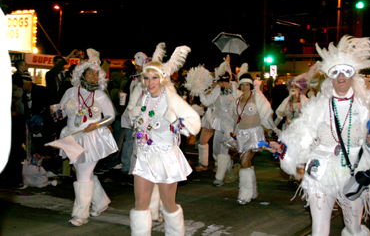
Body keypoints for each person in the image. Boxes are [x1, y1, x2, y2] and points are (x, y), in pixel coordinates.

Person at [266, 36, 370, 236]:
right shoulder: (319, 105)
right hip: (320, 169)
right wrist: (285, 150)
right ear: (329, 77)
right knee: (319, 230)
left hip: (353, 170)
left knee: (353, 227)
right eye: (335, 73)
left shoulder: (368, 105)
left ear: (353, 75)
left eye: (346, 72)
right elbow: (303, 134)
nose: (341, 77)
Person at [127, 45, 200, 236]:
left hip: (166, 156)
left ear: (162, 78)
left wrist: (175, 121)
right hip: (144, 154)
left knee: (168, 204)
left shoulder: (171, 98)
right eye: (147, 78)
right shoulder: (143, 98)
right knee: (140, 204)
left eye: (154, 78)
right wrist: (134, 117)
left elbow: (194, 124)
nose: (150, 82)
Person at [57, 48, 118, 226]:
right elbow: (60, 112)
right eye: (90, 73)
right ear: (81, 74)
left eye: (96, 74)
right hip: (71, 136)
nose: (93, 77)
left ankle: (80, 215)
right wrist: (56, 112)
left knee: (83, 174)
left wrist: (96, 124)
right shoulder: (70, 91)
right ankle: (100, 202)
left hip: (92, 137)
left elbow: (111, 116)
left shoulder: (99, 94)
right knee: (83, 172)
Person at [225, 65, 275, 204]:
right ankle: (252, 191)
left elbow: (267, 114)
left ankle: (245, 194)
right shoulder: (237, 100)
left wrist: (271, 128)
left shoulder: (258, 98)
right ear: (240, 86)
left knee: (244, 161)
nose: (245, 87)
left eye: (248, 84)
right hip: (241, 134)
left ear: (251, 85)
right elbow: (234, 118)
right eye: (243, 85)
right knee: (246, 162)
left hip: (254, 134)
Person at [195, 57, 240, 188]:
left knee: (224, 150)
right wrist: (201, 92)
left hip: (230, 124)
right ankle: (228, 167)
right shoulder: (217, 90)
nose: (220, 85)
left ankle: (219, 178)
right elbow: (208, 102)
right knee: (216, 151)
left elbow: (240, 104)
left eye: (223, 82)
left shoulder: (236, 88)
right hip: (219, 122)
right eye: (219, 82)